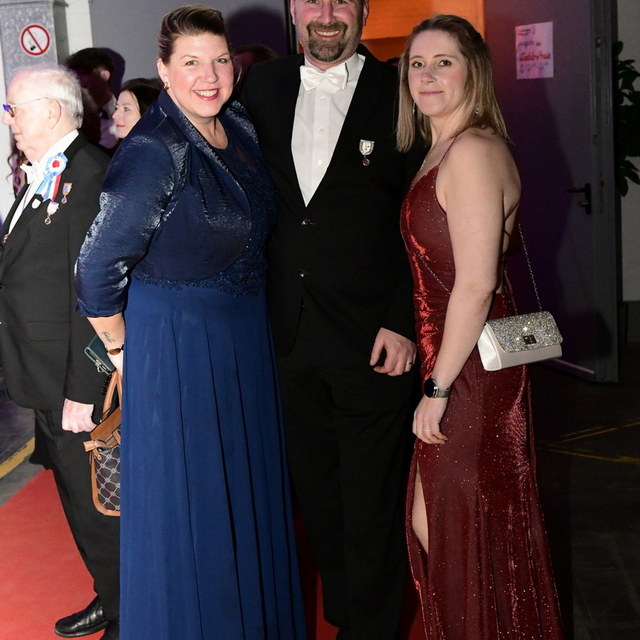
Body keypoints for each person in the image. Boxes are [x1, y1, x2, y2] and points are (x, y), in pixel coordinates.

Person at [74, 5, 307, 640]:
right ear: (164, 70)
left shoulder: (237, 125)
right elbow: (94, 271)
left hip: (242, 338)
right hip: (178, 348)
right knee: (196, 510)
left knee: (246, 500)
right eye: (192, 62)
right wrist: (124, 353)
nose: (209, 76)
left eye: (220, 59)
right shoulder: (155, 148)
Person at [242, 1, 423, 637]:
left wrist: (403, 320)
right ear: (294, 10)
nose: (327, 14)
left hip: (374, 339)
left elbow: (422, 216)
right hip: (284, 336)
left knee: (372, 500)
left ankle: (372, 628)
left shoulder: (401, 90)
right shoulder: (259, 86)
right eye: (313, 0)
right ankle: (346, 613)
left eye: (342, 0)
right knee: (317, 495)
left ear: (364, 12)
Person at [397, 15, 565, 639]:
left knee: (457, 527)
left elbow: (475, 284)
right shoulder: (444, 148)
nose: (427, 75)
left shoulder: (471, 151)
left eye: (444, 62)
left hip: (470, 368)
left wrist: (437, 389)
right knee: (446, 523)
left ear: (474, 72)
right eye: (417, 63)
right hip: (456, 356)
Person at [0, 65, 119, 639]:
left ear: (51, 110)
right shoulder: (51, 171)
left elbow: (96, 293)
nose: (10, 121)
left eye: (14, 109)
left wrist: (83, 388)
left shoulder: (89, 173)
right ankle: (109, 592)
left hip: (72, 381)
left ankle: (129, 611)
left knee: (102, 506)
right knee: (77, 499)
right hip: (43, 374)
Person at [65, 47, 118, 149]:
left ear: (104, 75)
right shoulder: (70, 116)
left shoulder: (124, 111)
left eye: (81, 78)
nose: (76, 85)